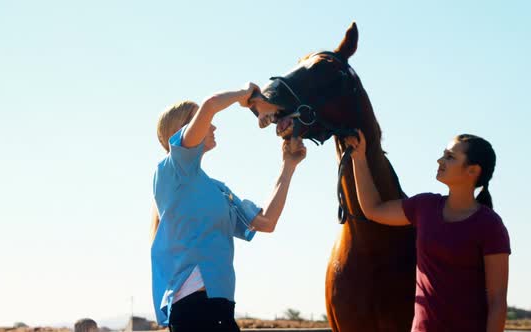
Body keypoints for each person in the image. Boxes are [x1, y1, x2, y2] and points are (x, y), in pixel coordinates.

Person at [151, 83, 307, 331]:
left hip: (221, 308)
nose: (213, 125)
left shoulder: (218, 190)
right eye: (203, 120)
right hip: (193, 309)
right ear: (182, 129)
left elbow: (266, 222)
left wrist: (288, 166)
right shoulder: (172, 169)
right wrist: (245, 94)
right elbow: (211, 104)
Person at [345, 130, 510, 332]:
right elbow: (373, 209)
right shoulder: (424, 206)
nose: (440, 160)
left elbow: (497, 300)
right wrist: (359, 158)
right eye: (443, 154)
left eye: (450, 157)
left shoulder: (490, 225)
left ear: (472, 171)